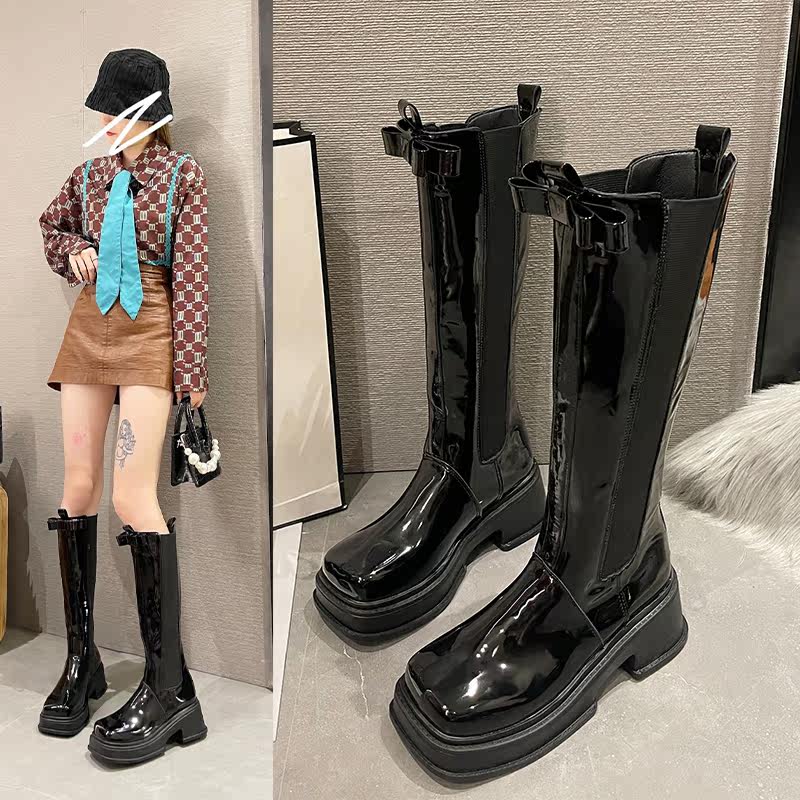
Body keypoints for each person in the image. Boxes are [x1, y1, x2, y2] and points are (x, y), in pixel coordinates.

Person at [37, 48, 209, 765]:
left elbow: (193, 276)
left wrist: (191, 373)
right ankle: (84, 664)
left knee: (133, 493)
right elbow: (50, 226)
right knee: (77, 487)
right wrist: (72, 250)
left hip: (149, 331)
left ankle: (168, 687)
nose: (102, 120)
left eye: (112, 110)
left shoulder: (182, 176)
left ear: (144, 114)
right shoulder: (88, 177)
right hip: (88, 329)